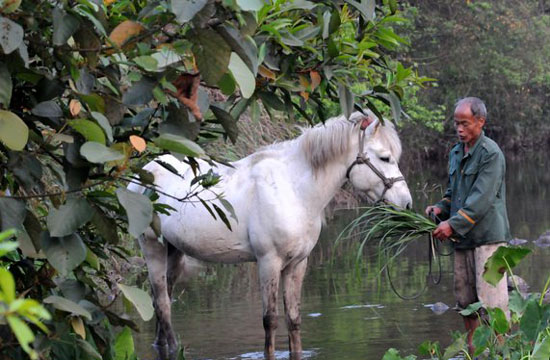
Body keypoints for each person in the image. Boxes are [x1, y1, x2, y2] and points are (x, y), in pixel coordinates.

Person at [425, 97, 511, 355]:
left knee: (492, 306)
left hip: (487, 239)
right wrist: (440, 208)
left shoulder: (491, 154)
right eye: (456, 124)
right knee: (465, 301)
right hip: (463, 239)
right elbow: (455, 194)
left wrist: (452, 225)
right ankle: (473, 352)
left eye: (465, 124)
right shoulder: (455, 152)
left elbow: (480, 200)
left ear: (480, 122)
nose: (459, 129)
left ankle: (501, 353)